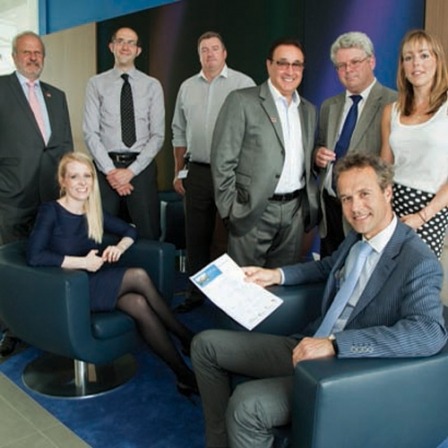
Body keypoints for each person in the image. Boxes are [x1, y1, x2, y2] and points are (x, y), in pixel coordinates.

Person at [192, 152, 448, 448]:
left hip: (339, 369)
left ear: (387, 192)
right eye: (346, 198)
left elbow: (429, 333)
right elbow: (328, 267)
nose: (355, 208)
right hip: (305, 343)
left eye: (364, 194)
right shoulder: (356, 238)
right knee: (205, 345)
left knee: (247, 404)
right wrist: (276, 275)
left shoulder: (418, 260)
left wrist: (336, 345)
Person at [27, 152, 198, 396]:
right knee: (137, 276)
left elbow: (129, 230)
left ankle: (184, 376)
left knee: (138, 303)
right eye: (74, 176)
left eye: (87, 176)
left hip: (92, 281)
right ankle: (185, 336)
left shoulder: (92, 210)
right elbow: (35, 256)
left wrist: (119, 247)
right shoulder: (50, 211)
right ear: (63, 181)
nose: (82, 182)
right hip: (68, 289)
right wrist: (83, 262)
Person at [211, 37, 319, 268]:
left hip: (294, 213)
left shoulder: (308, 110)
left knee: (282, 287)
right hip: (252, 211)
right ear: (269, 65)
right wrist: (232, 211)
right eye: (283, 63)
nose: (290, 71)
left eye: (297, 64)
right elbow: (222, 161)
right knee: (245, 290)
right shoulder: (242, 101)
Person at [0, 31, 73, 356]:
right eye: (27, 52)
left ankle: (43, 323)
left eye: (38, 53)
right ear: (15, 56)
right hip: (11, 195)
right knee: (11, 265)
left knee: (46, 261)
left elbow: (65, 146)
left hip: (50, 197)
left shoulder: (56, 96)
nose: (33, 58)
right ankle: (10, 330)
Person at [172, 31, 255, 312]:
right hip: (196, 172)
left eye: (215, 49)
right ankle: (194, 295)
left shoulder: (243, 84)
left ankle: (232, 297)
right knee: (196, 237)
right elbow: (179, 131)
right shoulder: (187, 87)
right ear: (199, 55)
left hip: (231, 173)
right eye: (204, 50)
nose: (209, 54)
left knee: (233, 238)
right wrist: (177, 171)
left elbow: (254, 132)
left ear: (224, 53)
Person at [314, 31, 397, 257]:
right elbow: (320, 146)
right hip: (330, 207)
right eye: (341, 65)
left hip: (365, 212)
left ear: (371, 61)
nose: (348, 70)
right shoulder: (329, 106)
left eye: (354, 62)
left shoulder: (394, 103)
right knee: (328, 276)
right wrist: (317, 155)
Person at [83, 27, 164, 241]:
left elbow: (158, 136)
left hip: (141, 168)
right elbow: (90, 133)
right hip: (104, 168)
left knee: (149, 232)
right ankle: (108, 275)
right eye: (120, 41)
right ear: (112, 47)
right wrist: (112, 172)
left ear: (138, 50)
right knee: (101, 232)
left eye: (131, 42)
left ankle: (149, 275)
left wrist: (130, 172)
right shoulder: (95, 84)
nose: (125, 46)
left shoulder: (152, 86)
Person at [381, 29, 448, 259]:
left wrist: (423, 216)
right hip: (391, 204)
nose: (415, 63)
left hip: (431, 208)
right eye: (408, 57)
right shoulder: (391, 111)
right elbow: (385, 168)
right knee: (384, 280)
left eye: (424, 55)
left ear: (437, 60)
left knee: (417, 283)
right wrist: (382, 209)